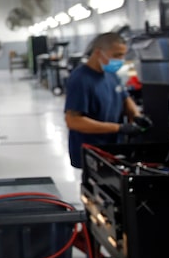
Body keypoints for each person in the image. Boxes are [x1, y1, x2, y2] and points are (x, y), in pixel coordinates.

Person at [64, 32, 150, 169]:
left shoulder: (110, 74)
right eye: (116, 55)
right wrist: (119, 128)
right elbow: (73, 121)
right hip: (92, 150)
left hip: (112, 147)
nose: (121, 60)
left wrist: (137, 116)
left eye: (123, 55)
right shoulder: (80, 80)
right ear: (98, 52)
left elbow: (124, 97)